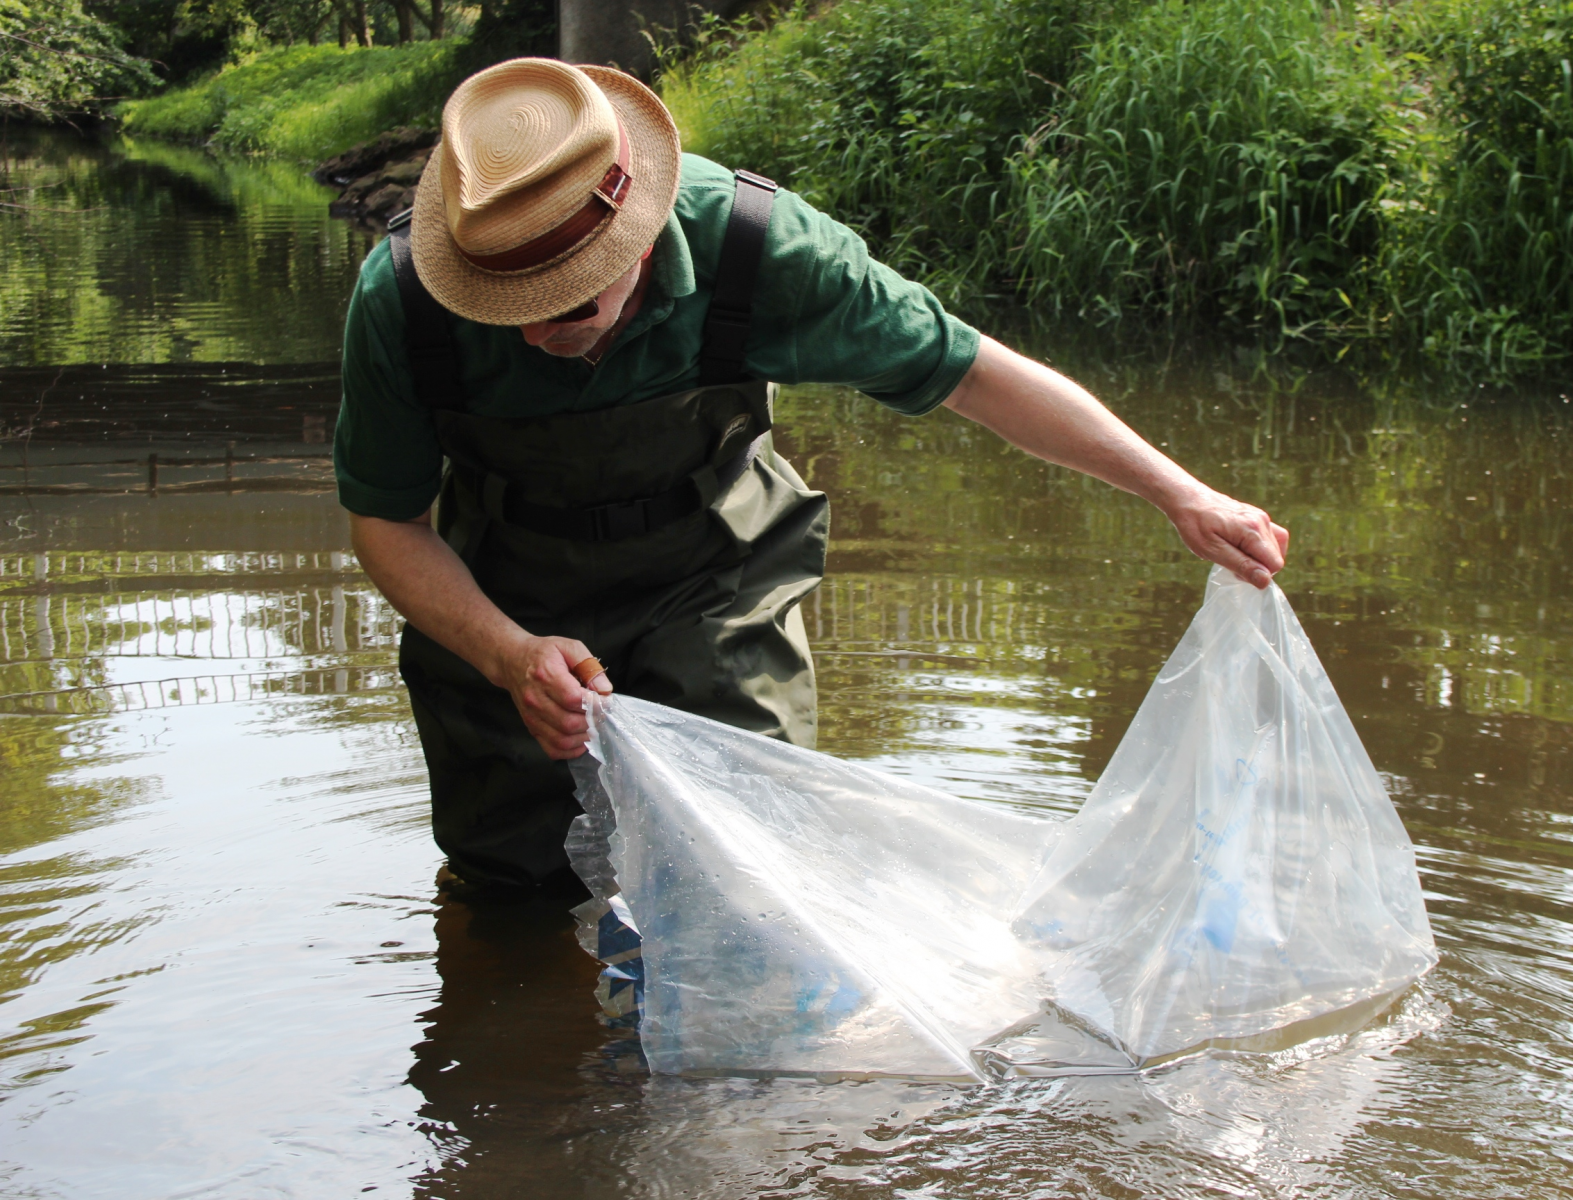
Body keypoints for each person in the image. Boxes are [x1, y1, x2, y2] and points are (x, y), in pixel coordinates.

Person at [335, 56, 1288, 911]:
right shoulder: (401, 301)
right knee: (511, 898)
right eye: (504, 309)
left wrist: (1182, 493)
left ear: (637, 229)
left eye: (568, 301)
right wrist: (508, 657)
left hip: (715, 577)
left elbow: (974, 373)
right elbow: (387, 524)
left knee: (747, 865)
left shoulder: (759, 248)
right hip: (499, 589)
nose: (539, 334)